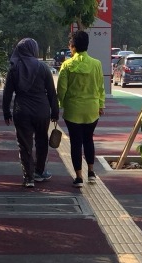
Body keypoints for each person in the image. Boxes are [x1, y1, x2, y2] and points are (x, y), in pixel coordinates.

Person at [2, 38, 59, 188]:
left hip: (22, 111)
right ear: (34, 50)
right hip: (42, 110)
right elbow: (52, 93)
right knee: (41, 141)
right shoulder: (43, 68)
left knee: (24, 144)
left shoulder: (14, 69)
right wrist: (55, 112)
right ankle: (39, 172)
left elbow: (7, 93)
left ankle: (29, 177)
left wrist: (6, 112)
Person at [57, 31, 105, 188]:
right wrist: (100, 104)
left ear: (73, 47)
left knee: (76, 143)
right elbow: (100, 87)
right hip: (92, 109)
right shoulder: (97, 64)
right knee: (88, 139)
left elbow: (61, 89)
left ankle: (78, 177)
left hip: (73, 110)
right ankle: (91, 172)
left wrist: (61, 104)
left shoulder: (67, 65)